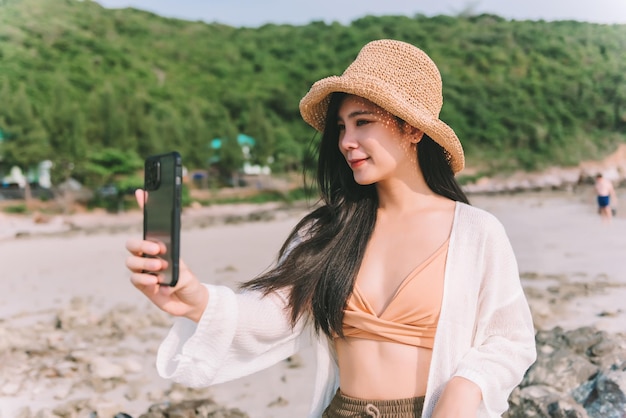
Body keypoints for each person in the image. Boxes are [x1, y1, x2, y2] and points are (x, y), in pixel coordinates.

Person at [125, 39, 536, 418]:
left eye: (362, 122)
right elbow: (275, 314)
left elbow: (510, 339)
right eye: (341, 127)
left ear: (412, 129)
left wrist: (463, 390)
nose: (345, 141)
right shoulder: (329, 229)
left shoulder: (475, 232)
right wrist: (194, 298)